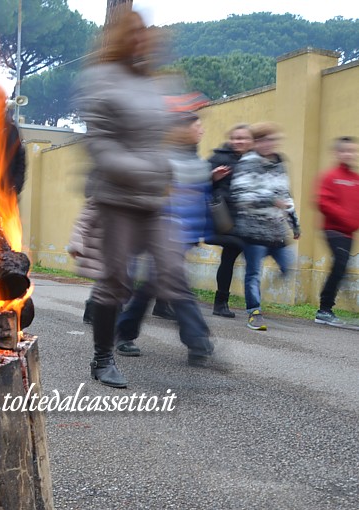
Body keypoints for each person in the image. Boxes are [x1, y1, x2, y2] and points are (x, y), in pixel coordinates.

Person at [73, 7, 215, 388]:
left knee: (170, 269)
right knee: (115, 279)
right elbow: (99, 144)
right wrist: (144, 168)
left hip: (154, 200)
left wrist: (167, 166)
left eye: (147, 34)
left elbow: (165, 134)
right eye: (134, 33)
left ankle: (199, 341)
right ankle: (103, 358)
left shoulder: (154, 83)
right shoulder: (102, 78)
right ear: (121, 37)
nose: (143, 40)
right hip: (116, 198)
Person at [113, 112, 227, 357]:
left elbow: (196, 197)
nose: (201, 130)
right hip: (163, 230)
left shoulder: (193, 159)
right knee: (175, 283)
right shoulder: (162, 156)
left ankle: (124, 331)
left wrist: (211, 180)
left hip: (183, 233)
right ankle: (198, 341)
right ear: (180, 129)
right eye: (197, 125)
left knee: (155, 284)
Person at [230, 122, 300, 331]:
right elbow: (240, 197)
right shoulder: (247, 164)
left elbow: (286, 196)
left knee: (288, 264)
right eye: (263, 139)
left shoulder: (280, 163)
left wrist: (294, 223)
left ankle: (259, 299)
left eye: (272, 139)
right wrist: (270, 201)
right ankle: (254, 312)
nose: (268, 144)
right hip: (252, 230)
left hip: (277, 230)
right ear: (256, 142)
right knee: (253, 273)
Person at [205, 124, 255, 318]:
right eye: (235, 138)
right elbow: (198, 181)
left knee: (243, 259)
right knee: (229, 259)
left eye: (243, 138)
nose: (238, 142)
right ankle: (221, 303)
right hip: (226, 220)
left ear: (251, 141)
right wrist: (213, 177)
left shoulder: (255, 159)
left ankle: (228, 303)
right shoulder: (219, 157)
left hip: (249, 221)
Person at [314, 136, 359, 325]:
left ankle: (326, 309)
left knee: (341, 268)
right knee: (340, 265)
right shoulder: (330, 176)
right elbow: (322, 201)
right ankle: (324, 310)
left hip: (349, 233)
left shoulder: (356, 179)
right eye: (344, 150)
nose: (349, 154)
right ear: (337, 153)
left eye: (352, 150)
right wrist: (347, 218)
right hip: (333, 230)